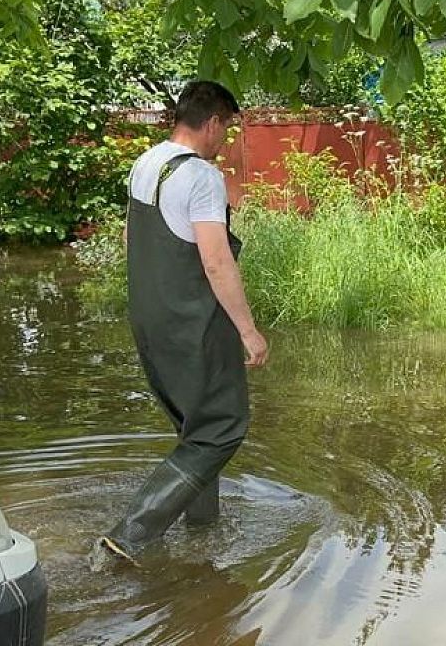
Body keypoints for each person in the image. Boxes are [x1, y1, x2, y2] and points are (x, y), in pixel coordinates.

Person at [99, 80, 268, 563]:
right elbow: (216, 262)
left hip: (151, 320)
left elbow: (132, 238)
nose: (225, 140)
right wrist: (249, 332)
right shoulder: (200, 177)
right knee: (222, 428)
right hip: (194, 323)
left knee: (195, 428)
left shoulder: (145, 164)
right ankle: (129, 535)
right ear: (213, 121)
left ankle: (203, 532)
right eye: (227, 128)